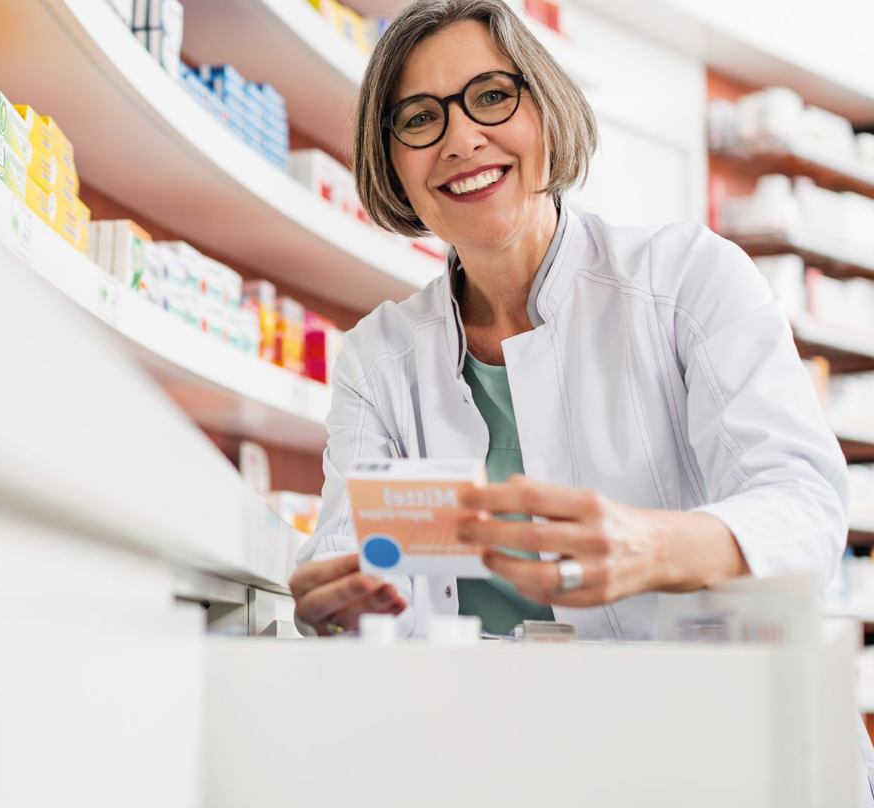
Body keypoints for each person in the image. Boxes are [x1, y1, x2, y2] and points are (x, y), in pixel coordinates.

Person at [288, 0, 849, 647]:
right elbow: (344, 553)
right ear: (391, 165)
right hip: (481, 728)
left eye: (492, 96)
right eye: (419, 118)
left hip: (691, 719)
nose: (461, 140)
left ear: (548, 112)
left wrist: (654, 547)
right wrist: (337, 599)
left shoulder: (692, 280)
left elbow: (806, 506)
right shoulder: (376, 358)